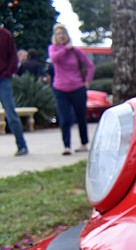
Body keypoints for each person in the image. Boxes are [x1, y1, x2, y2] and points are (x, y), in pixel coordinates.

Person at [48, 23, 94, 155]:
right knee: (65, 118)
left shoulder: (76, 51)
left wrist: (87, 81)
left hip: (77, 87)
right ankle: (66, 146)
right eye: (58, 34)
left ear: (67, 35)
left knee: (81, 117)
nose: (61, 36)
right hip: (60, 88)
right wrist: (65, 49)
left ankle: (84, 143)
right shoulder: (53, 49)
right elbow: (54, 59)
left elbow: (90, 66)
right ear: (55, 36)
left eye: (63, 33)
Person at [0, 26, 28, 156]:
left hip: (3, 80)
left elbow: (13, 58)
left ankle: (21, 146)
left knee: (11, 114)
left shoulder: (5, 35)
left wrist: (7, 73)